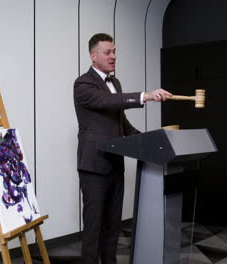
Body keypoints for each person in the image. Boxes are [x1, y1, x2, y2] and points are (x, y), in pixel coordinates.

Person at [73, 33, 172, 264]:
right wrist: (145, 96)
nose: (113, 56)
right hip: (94, 166)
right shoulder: (83, 84)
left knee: (113, 227)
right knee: (93, 228)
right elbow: (106, 102)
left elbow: (121, 121)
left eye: (115, 51)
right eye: (108, 52)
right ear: (93, 55)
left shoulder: (115, 83)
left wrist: (148, 139)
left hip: (116, 164)